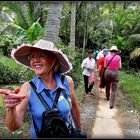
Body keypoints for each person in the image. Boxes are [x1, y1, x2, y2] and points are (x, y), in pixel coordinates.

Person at [0, 39, 82, 138]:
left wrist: (79, 130)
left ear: (53, 60)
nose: (35, 60)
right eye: (32, 56)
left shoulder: (67, 82)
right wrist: (11, 109)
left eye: (42, 56)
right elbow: (13, 127)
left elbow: (74, 108)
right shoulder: (28, 88)